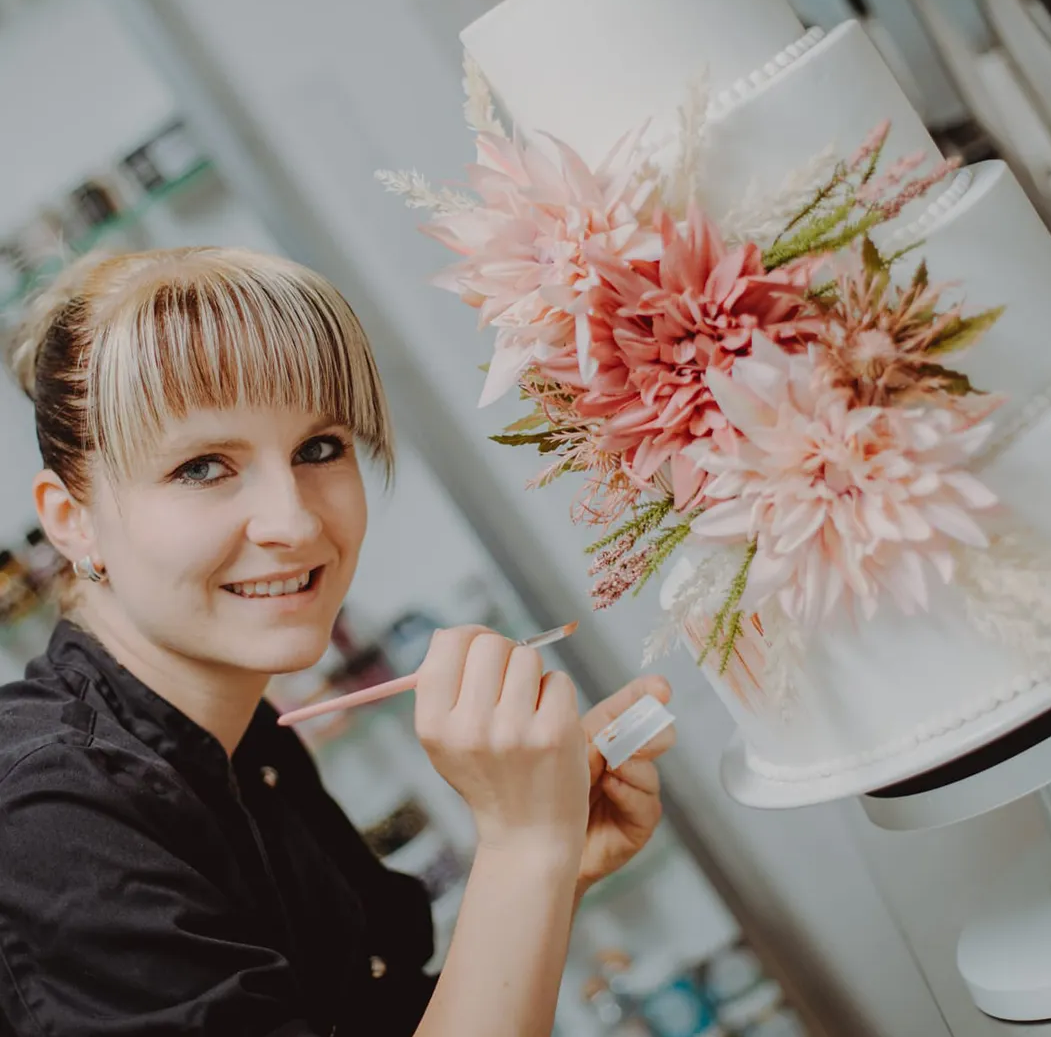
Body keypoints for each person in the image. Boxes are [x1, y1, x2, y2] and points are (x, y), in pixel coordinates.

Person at [0, 247, 676, 1037]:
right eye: (203, 467)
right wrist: (523, 847)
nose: (295, 522)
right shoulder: (47, 819)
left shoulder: (240, 735)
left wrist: (556, 868)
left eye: (319, 448)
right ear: (72, 519)